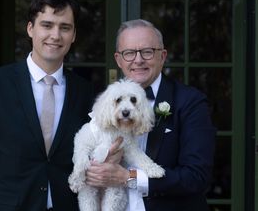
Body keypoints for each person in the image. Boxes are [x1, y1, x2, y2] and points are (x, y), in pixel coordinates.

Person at [0, 0, 93, 211]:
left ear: (74, 34)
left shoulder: (83, 90)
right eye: (47, 25)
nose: (55, 35)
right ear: (31, 29)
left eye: (64, 27)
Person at [85, 19, 215, 211]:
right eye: (129, 53)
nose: (138, 60)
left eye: (147, 51)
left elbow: (196, 177)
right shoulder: (104, 105)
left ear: (162, 56)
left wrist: (129, 178)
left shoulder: (190, 102)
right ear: (118, 60)